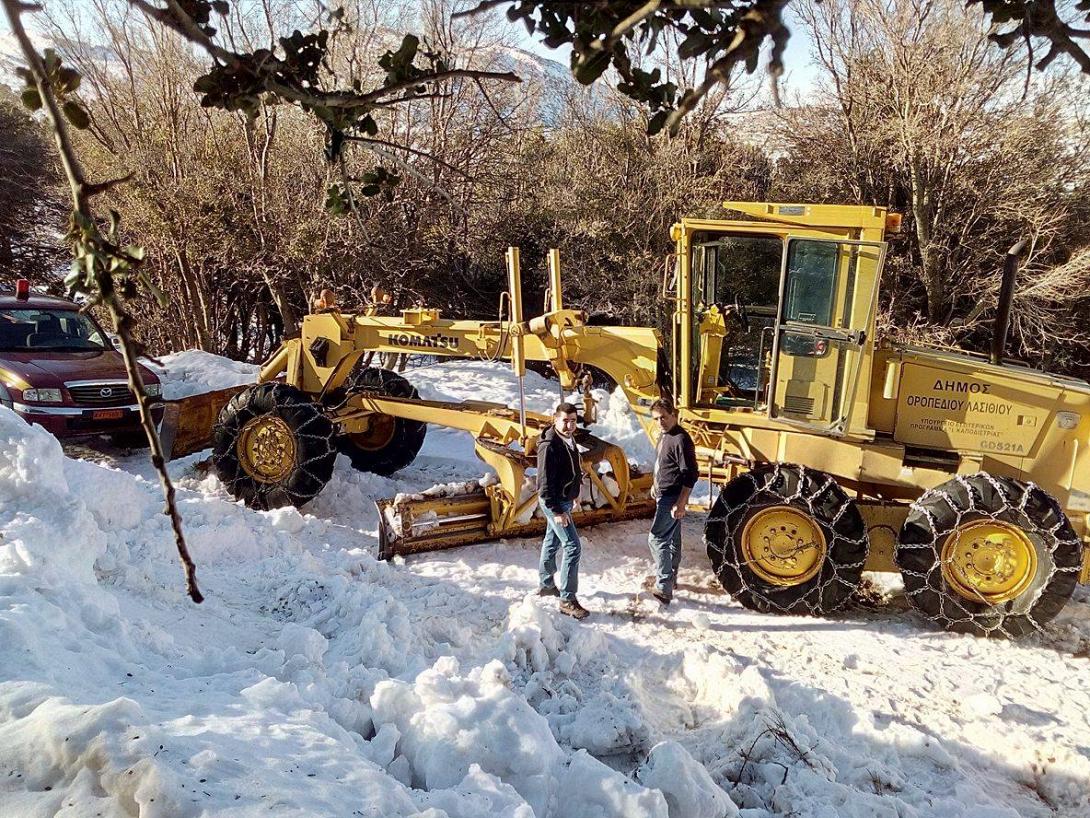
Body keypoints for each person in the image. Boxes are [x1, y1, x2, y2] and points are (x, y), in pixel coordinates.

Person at [536, 402, 590, 620]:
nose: (569, 425)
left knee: (552, 541)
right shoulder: (549, 445)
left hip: (565, 499)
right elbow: (544, 483)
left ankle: (547, 584)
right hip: (555, 502)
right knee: (573, 547)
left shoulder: (568, 439)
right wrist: (557, 510)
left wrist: (575, 492)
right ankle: (567, 599)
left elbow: (573, 467)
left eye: (573, 421)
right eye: (565, 421)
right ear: (554, 419)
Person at [646, 398, 698, 605]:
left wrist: (681, 502)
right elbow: (662, 465)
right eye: (656, 419)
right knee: (673, 540)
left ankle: (664, 585)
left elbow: (691, 473)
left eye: (664, 418)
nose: (660, 422)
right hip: (663, 493)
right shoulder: (664, 436)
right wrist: (654, 485)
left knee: (656, 538)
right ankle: (671, 578)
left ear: (674, 415)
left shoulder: (680, 439)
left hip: (672, 497)